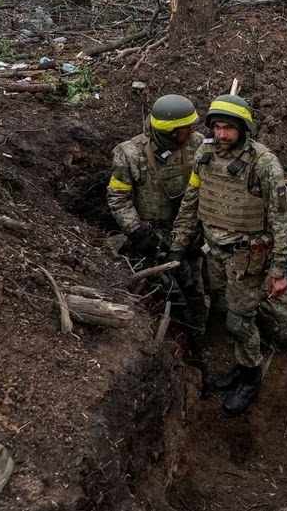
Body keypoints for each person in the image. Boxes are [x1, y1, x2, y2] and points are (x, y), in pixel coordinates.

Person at [169, 94, 287, 416]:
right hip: (214, 252)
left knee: (239, 320)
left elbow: (281, 219)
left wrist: (279, 270)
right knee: (226, 310)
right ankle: (241, 368)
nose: (222, 134)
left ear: (243, 128)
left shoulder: (264, 163)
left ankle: (251, 377)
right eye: (218, 128)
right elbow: (191, 201)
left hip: (246, 257)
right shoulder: (204, 154)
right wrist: (177, 246)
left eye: (229, 128)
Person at [106, 94, 209, 372]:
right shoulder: (130, 153)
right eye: (185, 128)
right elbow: (118, 197)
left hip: (190, 232)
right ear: (169, 131)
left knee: (195, 286)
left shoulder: (198, 145)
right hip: (154, 237)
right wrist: (136, 231)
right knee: (166, 290)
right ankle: (175, 340)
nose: (191, 132)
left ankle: (200, 332)